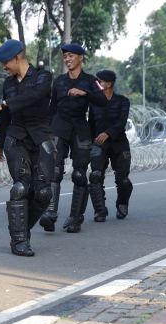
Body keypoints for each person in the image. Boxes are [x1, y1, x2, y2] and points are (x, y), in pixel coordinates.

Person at [0, 39, 54, 257]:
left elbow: (33, 96)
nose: (4, 67)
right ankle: (19, 241)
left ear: (17, 58)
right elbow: (5, 116)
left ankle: (22, 230)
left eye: (6, 62)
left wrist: (4, 104)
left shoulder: (44, 77)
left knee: (43, 192)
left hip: (40, 136)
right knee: (20, 188)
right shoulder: (8, 84)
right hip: (16, 138)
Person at [39, 43, 108, 233]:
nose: (67, 59)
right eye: (65, 57)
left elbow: (103, 101)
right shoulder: (59, 81)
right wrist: (46, 131)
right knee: (54, 172)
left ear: (80, 58)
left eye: (71, 56)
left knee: (79, 174)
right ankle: (50, 214)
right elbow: (51, 110)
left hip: (80, 129)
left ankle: (75, 218)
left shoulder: (90, 81)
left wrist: (85, 93)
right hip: (59, 128)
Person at [87, 70, 133, 221]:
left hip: (119, 142)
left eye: (99, 81)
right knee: (95, 176)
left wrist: (108, 133)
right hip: (100, 143)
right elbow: (91, 124)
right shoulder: (94, 101)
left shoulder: (122, 101)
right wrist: (89, 143)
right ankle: (100, 210)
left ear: (108, 84)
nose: (97, 84)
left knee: (123, 179)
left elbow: (121, 122)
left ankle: (122, 204)